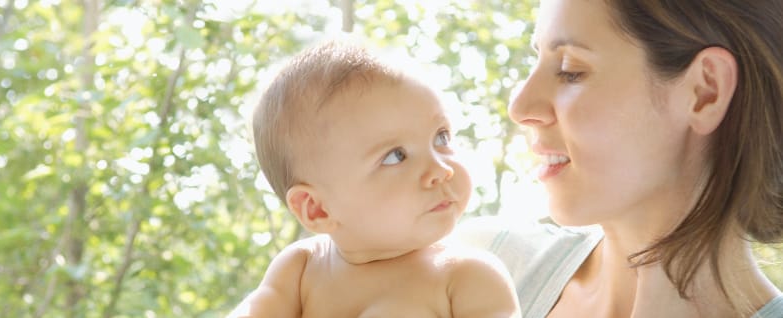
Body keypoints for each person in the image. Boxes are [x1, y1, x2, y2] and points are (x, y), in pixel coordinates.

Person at [456, 0, 783, 317]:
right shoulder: (472, 271)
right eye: (535, 59)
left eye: (570, 71)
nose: (520, 107)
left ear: (704, 92)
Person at [229, 41, 520, 317]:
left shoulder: (467, 278)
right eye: (395, 156)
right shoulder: (301, 269)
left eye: (441, 137)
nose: (441, 170)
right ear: (316, 208)